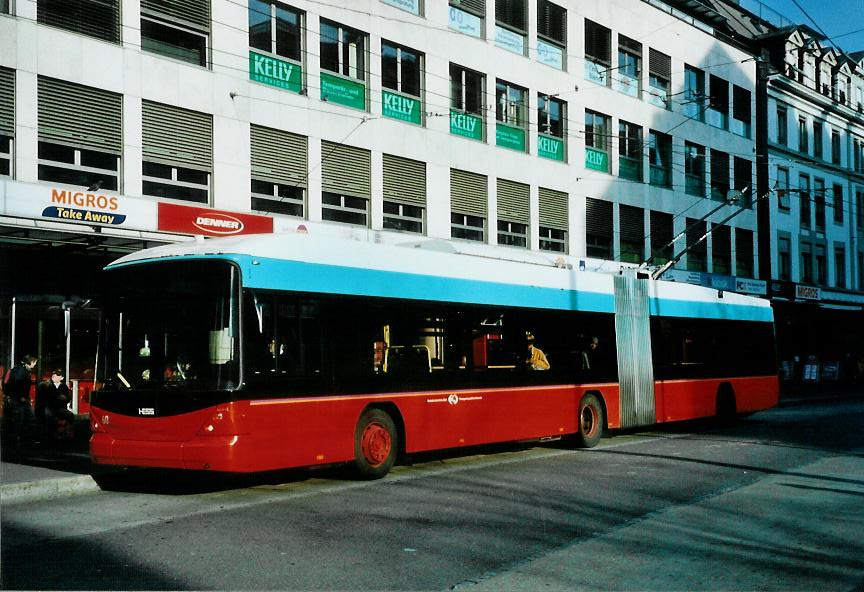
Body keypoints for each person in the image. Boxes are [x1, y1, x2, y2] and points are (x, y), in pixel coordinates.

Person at [5, 355, 39, 446]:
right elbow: (18, 384)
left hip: (19, 398)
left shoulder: (20, 369)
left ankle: (19, 439)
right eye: (34, 362)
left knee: (20, 418)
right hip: (20, 398)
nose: (35, 364)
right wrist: (21, 396)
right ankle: (20, 439)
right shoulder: (22, 371)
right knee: (24, 418)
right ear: (30, 362)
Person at [36, 369, 75, 442]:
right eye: (54, 374)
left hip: (60, 408)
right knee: (49, 416)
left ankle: (66, 433)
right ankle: (50, 436)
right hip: (50, 407)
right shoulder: (46, 385)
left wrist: (63, 399)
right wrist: (59, 397)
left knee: (70, 415)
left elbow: (67, 398)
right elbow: (46, 398)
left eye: (57, 375)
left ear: (62, 378)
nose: (54, 376)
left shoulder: (64, 386)